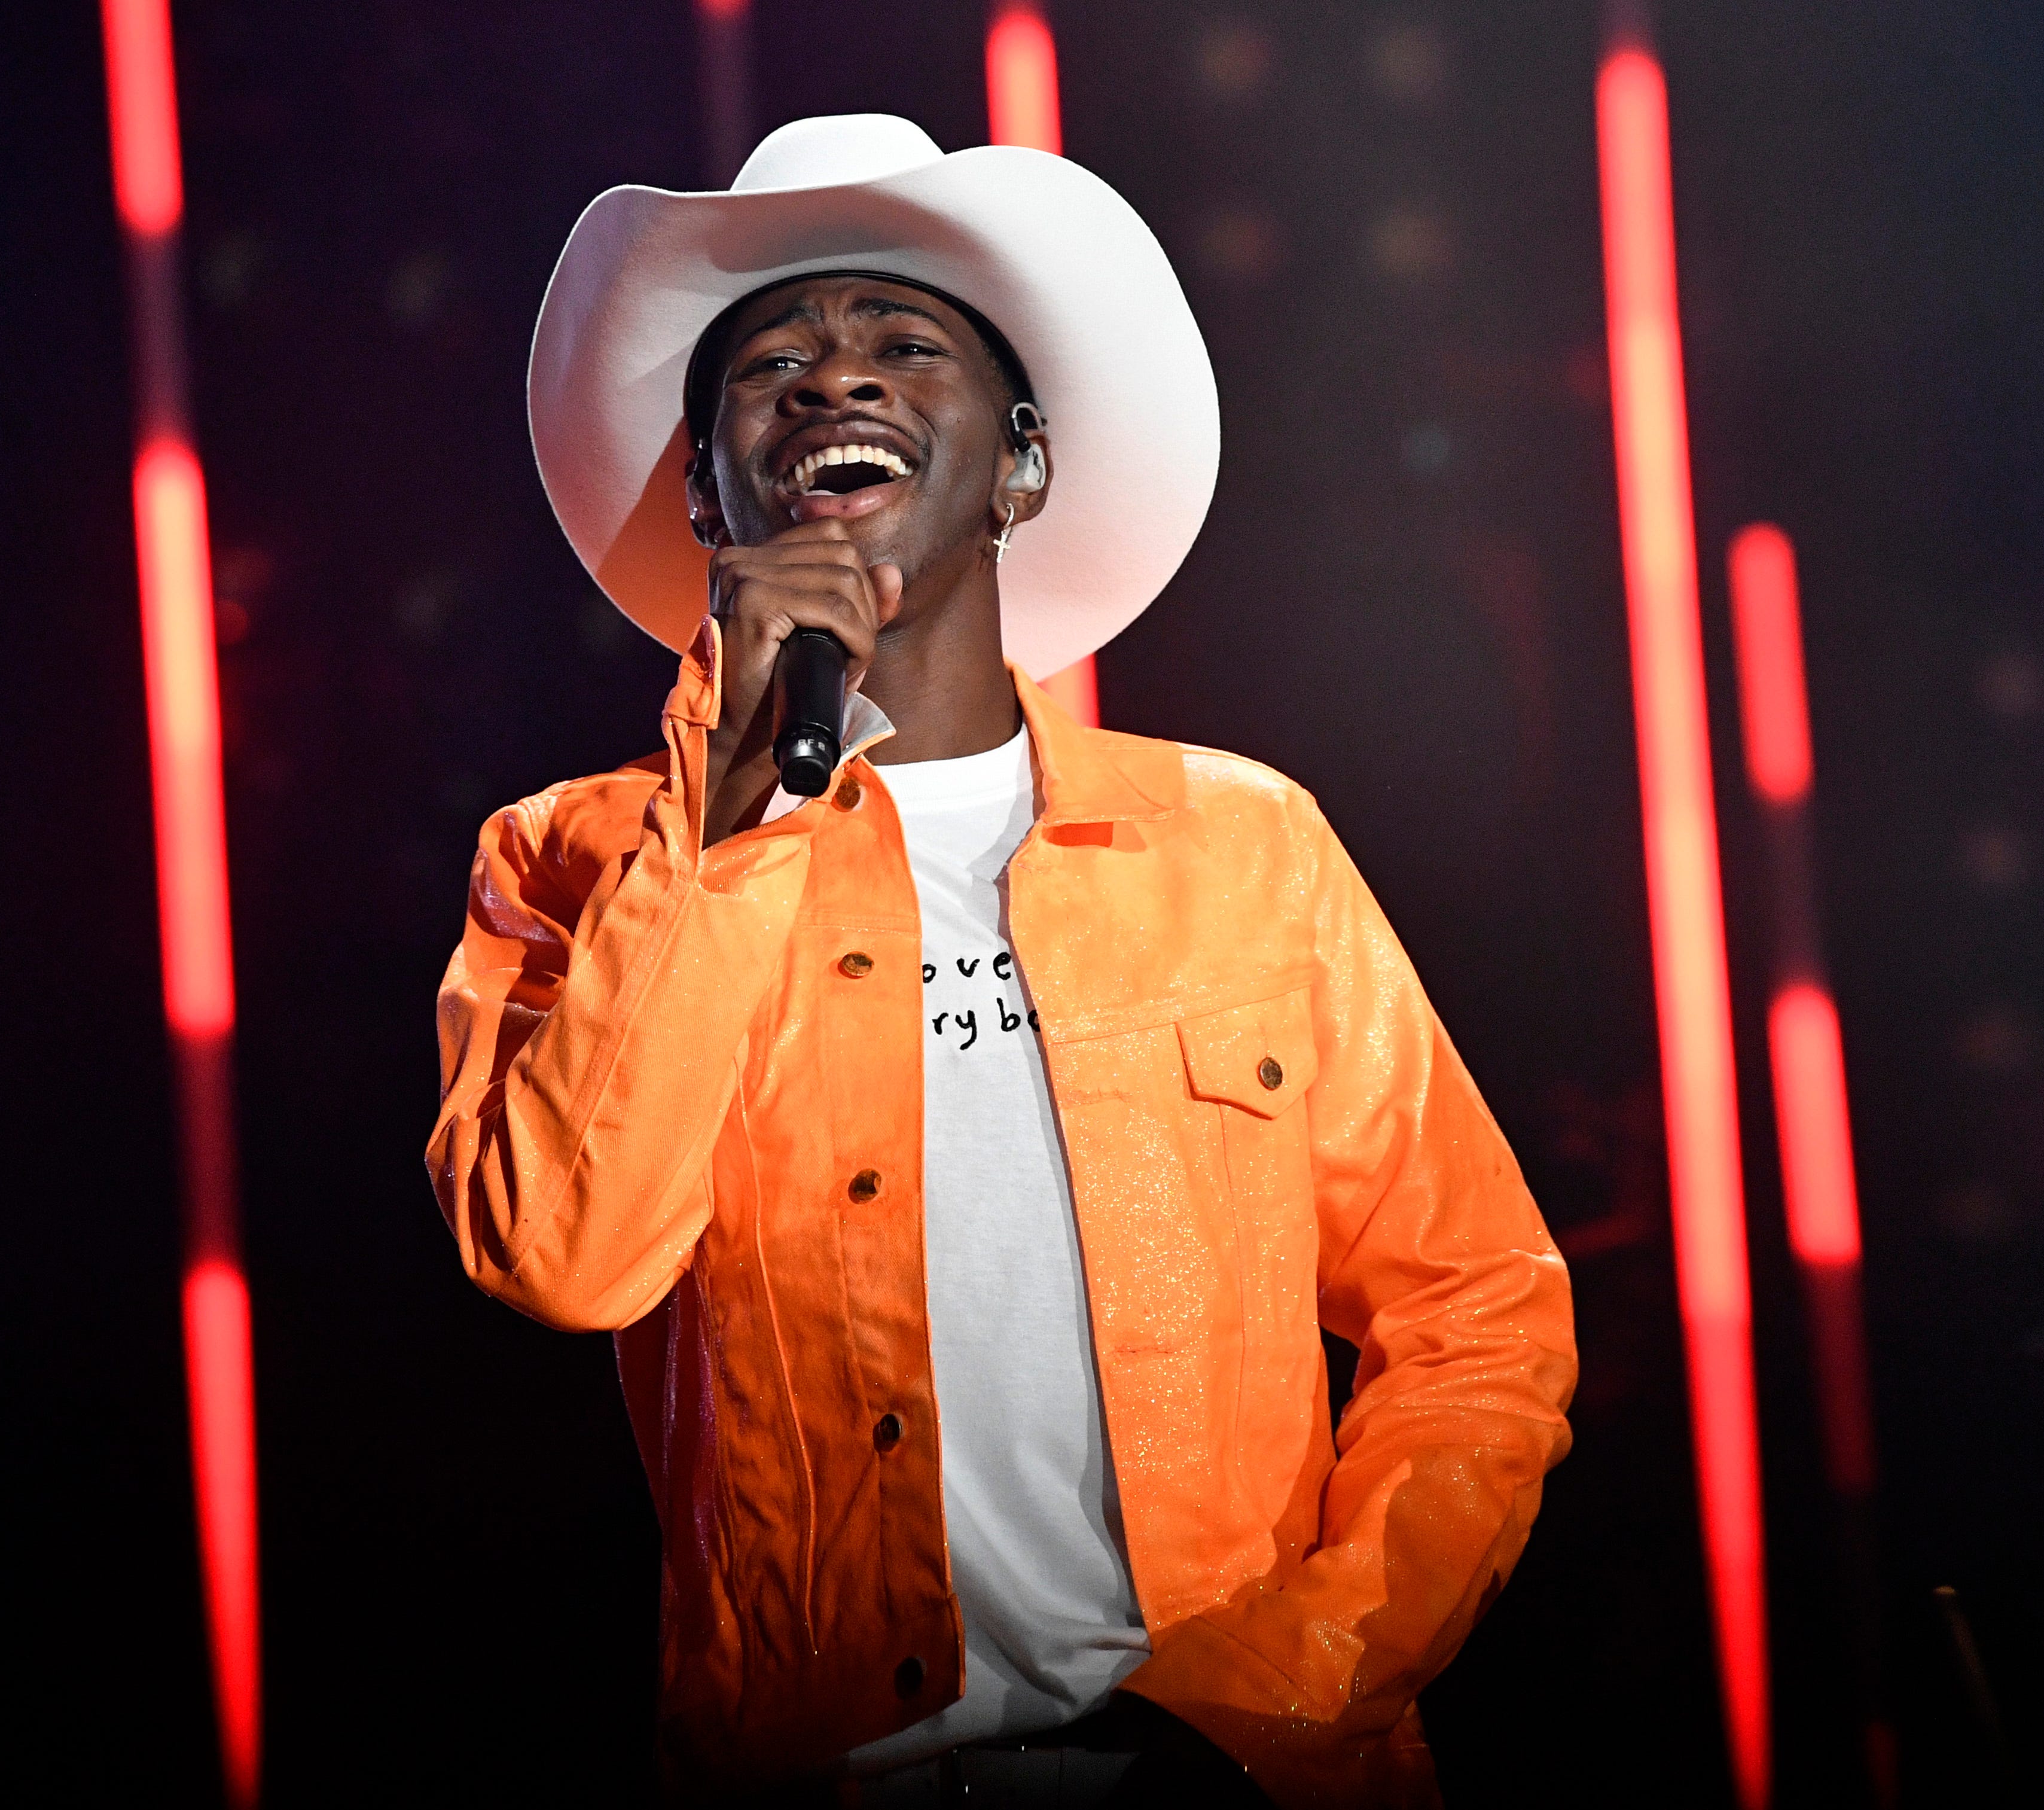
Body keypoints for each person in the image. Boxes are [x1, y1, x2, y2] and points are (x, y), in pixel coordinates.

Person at [429, 115, 1576, 1808]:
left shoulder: (1237, 844)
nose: (831, 383)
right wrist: (728, 821)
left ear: (1021, 469)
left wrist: (1276, 1694)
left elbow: (1476, 1316)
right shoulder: (576, 859)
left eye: (902, 344)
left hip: (1233, 1769)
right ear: (701, 487)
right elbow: (560, 1256)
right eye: (771, 366)